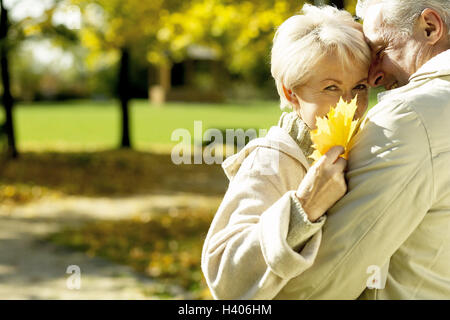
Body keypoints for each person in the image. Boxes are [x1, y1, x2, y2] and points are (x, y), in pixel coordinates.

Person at [274, 0, 450, 299]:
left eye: (380, 51)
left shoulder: (410, 116)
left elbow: (324, 280)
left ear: (430, 27)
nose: (372, 78)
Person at [201, 4, 371, 299]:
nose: (351, 104)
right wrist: (303, 208)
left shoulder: (362, 147)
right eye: (331, 88)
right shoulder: (270, 159)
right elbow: (224, 276)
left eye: (360, 87)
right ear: (290, 92)